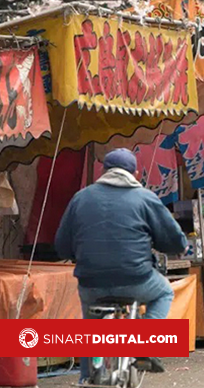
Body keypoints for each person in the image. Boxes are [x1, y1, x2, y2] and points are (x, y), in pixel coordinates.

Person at [54, 149, 187, 381]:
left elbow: (61, 246)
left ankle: (86, 378)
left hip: (91, 282)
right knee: (164, 292)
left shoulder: (81, 197)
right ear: (135, 173)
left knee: (92, 329)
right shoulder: (145, 198)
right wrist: (177, 247)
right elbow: (173, 239)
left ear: (103, 171)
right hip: (135, 279)